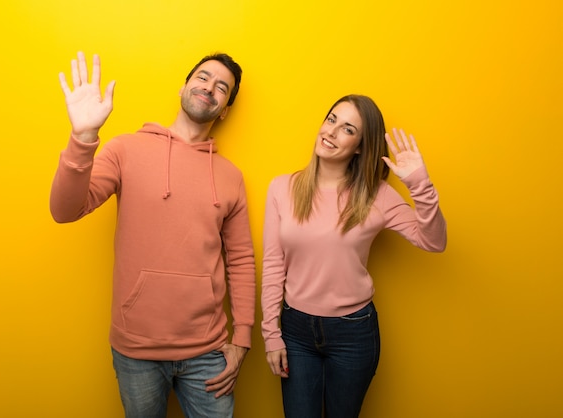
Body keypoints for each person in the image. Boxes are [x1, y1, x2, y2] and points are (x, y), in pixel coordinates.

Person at [50, 51, 256, 418]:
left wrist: (242, 338)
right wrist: (83, 137)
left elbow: (240, 259)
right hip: (136, 351)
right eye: (203, 77)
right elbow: (64, 211)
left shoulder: (230, 176)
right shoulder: (125, 149)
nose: (210, 87)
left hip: (208, 351)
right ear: (184, 86)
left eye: (222, 87)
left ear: (224, 109)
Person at [261, 94, 447, 417]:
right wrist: (271, 334)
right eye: (331, 119)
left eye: (347, 129)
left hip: (353, 332)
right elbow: (274, 265)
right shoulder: (282, 188)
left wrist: (421, 186)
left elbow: (434, 241)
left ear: (361, 146)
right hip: (295, 331)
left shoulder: (378, 195)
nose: (331, 132)